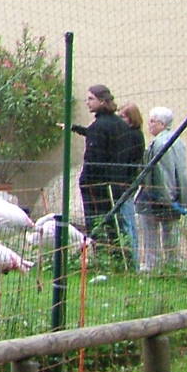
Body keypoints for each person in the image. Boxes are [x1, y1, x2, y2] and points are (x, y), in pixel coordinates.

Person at [70, 84, 130, 259]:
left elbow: (94, 157)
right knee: (114, 222)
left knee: (96, 222)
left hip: (96, 184)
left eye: (91, 99)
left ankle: (100, 256)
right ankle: (118, 257)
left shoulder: (99, 127)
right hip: (116, 182)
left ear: (102, 101)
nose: (87, 102)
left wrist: (85, 180)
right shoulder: (121, 124)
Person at [138, 106, 187, 272]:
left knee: (150, 230)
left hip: (157, 194)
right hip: (176, 193)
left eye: (153, 121)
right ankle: (172, 262)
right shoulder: (178, 140)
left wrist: (164, 196)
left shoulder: (160, 143)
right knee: (171, 231)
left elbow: (164, 172)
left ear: (162, 123)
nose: (149, 124)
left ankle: (152, 264)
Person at [115, 103, 147, 267]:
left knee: (128, 221)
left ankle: (133, 260)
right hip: (126, 182)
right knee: (125, 220)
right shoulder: (132, 134)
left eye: (123, 117)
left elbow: (127, 160)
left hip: (126, 183)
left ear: (131, 118)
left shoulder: (133, 136)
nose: (119, 120)